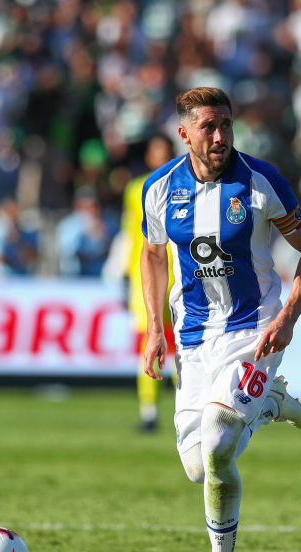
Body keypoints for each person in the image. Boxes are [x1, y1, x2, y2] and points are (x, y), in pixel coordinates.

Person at [140, 87, 301, 552]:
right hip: (195, 338)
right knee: (198, 466)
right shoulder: (159, 189)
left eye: (226, 124)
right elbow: (154, 255)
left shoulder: (262, 182)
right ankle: (268, 401)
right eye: (208, 126)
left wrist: (288, 317)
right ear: (184, 133)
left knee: (221, 444)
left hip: (255, 329)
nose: (220, 135)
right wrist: (156, 329)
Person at [120, 133, 177, 432]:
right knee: (150, 342)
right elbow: (131, 235)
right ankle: (149, 413)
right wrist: (123, 273)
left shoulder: (187, 183)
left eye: (166, 151)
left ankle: (186, 409)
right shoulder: (136, 188)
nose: (162, 157)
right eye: (158, 151)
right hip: (146, 276)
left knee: (182, 344)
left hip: (180, 273)